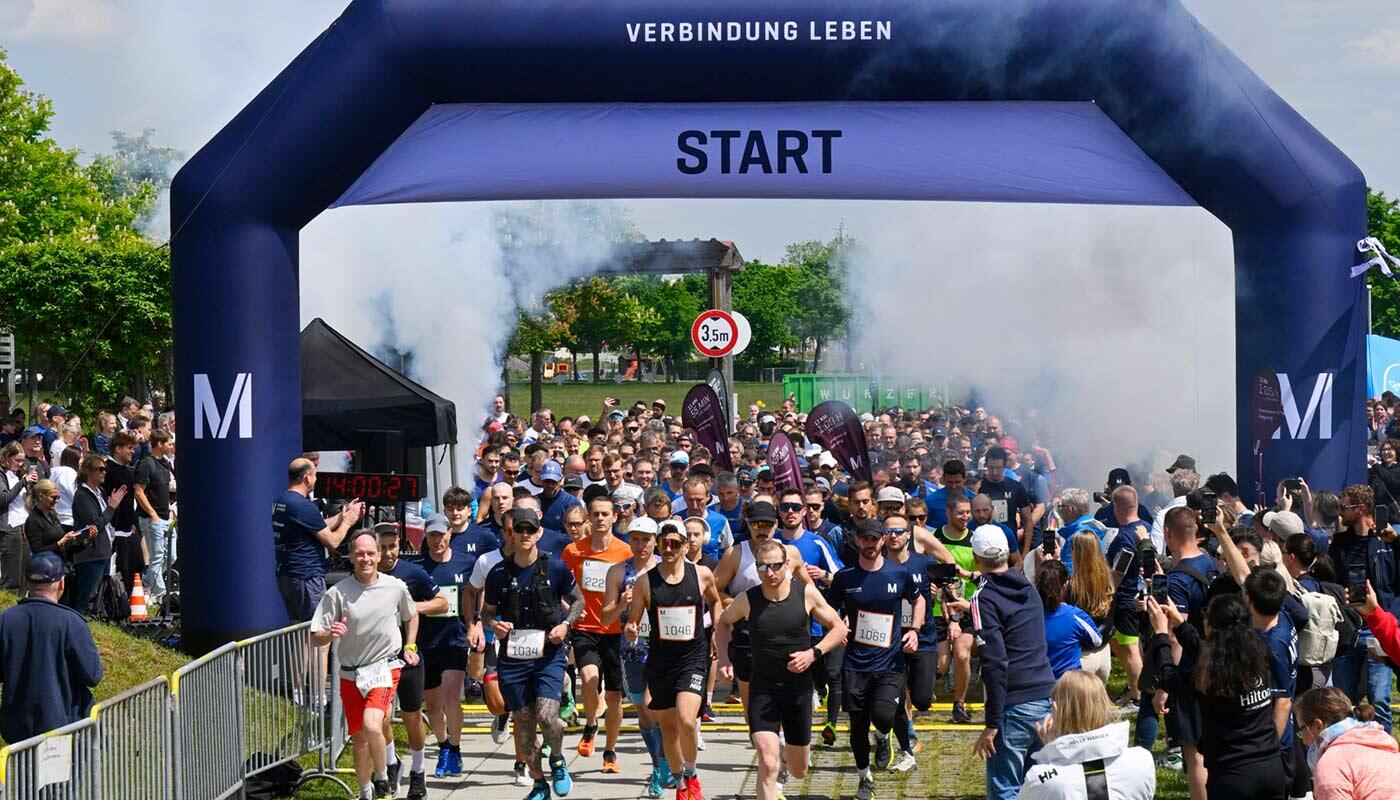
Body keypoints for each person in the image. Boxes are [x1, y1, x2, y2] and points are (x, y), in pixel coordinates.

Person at [716, 537, 848, 800]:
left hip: (798, 691)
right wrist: (724, 660)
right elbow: (723, 623)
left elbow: (839, 628)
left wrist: (813, 653)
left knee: (799, 769)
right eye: (762, 567)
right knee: (767, 760)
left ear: (787, 565)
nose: (769, 573)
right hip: (763, 690)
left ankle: (789, 756)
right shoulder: (747, 599)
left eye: (775, 566)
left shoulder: (806, 594)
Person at [310, 530, 420, 800]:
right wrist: (330, 633)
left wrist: (410, 646)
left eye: (371, 553)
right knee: (359, 740)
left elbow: (412, 614)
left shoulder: (395, 587)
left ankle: (382, 777)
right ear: (350, 557)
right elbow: (315, 636)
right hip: (351, 673)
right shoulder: (337, 593)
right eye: (359, 554)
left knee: (372, 724)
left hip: (384, 667)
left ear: (379, 555)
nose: (366, 559)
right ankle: (365, 792)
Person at [483, 507, 583, 800]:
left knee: (547, 716)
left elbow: (577, 601)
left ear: (539, 532)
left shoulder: (555, 567)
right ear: (510, 534)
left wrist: (566, 625)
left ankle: (558, 761)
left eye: (531, 529)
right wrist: (494, 625)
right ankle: (539, 783)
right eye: (520, 529)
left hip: (548, 654)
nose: (525, 534)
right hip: (513, 659)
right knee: (524, 726)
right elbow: (486, 612)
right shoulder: (498, 573)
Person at [1147, 593, 1284, 800]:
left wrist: (1161, 635)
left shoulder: (1212, 677)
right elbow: (1207, 653)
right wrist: (1180, 625)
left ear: (1211, 627)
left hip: (1233, 775)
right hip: (1271, 767)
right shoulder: (1259, 653)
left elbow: (1170, 677)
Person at [624, 518, 722, 800]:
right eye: (663, 543)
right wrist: (631, 630)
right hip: (661, 662)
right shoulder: (645, 582)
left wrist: (715, 631)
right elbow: (633, 620)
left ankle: (691, 774)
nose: (668, 549)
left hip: (693, 658)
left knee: (686, 720)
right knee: (668, 729)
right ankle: (680, 784)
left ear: (685, 546)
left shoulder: (701, 574)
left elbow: (715, 601)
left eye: (674, 544)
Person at [829, 517, 924, 800]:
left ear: (882, 540)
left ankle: (883, 737)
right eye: (865, 539)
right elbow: (829, 609)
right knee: (857, 726)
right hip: (855, 664)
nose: (870, 544)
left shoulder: (899, 573)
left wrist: (914, 630)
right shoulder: (845, 577)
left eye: (874, 539)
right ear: (857, 541)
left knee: (883, 715)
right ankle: (864, 778)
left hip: (890, 662)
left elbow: (918, 600)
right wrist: (838, 626)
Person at [964, 524, 1056, 800]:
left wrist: (992, 722)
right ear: (1007, 554)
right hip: (1045, 697)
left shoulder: (983, 599)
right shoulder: (1029, 589)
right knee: (1039, 789)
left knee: (1005, 790)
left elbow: (994, 662)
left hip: (1014, 704)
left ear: (975, 558)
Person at [600, 516, 674, 798]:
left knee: (655, 707)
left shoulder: (666, 568)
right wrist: (622, 603)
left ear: (656, 541)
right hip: (632, 649)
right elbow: (606, 617)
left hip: (664, 648)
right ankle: (659, 764)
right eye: (635, 539)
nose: (640, 545)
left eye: (646, 539)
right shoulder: (618, 571)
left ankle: (662, 765)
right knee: (643, 711)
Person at [560, 494, 633, 767]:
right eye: (596, 514)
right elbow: (561, 587)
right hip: (585, 628)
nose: (601, 518)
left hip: (615, 631)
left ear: (614, 517)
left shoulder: (625, 552)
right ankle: (591, 724)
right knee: (589, 679)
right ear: (589, 518)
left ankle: (610, 751)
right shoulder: (573, 551)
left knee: (614, 697)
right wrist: (570, 611)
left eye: (605, 514)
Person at [0, 552, 103, 743]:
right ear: (62, 583)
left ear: (25, 582)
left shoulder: (5, 620)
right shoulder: (71, 622)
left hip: (17, 731)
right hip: (63, 727)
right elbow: (92, 675)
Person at [376, 523, 447, 800]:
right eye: (382, 547)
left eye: (392, 547)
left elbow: (442, 602)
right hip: (377, 658)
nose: (387, 553)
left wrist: (412, 607)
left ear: (399, 546)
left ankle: (418, 771)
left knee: (411, 716)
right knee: (380, 717)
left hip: (409, 655)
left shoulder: (412, 573)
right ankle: (391, 762)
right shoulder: (366, 574)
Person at [1016, 670, 1155, 800]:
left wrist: (1050, 753)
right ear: (1105, 704)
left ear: (1056, 709)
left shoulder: (1039, 779)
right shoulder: (1142, 760)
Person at [1326, 484, 1396, 733]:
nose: (1340, 512)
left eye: (1344, 506)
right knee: (1344, 700)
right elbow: (1331, 580)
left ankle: (1385, 751)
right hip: (1348, 627)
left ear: (1361, 509)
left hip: (1379, 626)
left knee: (1379, 699)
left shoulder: (1386, 541)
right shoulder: (1339, 543)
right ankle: (1349, 746)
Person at [412, 513, 475, 779]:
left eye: (441, 535)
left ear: (450, 534)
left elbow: (475, 594)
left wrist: (475, 625)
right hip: (426, 642)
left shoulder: (466, 562)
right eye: (432, 536)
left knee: (451, 698)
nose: (437, 541)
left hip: (455, 640)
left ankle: (456, 748)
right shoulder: (417, 568)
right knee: (434, 704)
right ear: (426, 537)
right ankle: (443, 745)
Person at [273, 457, 364, 622]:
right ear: (307, 477)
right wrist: (348, 522)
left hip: (286, 577)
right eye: (315, 475)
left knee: (299, 630)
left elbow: (317, 526)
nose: (316, 480)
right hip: (307, 577)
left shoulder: (282, 500)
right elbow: (333, 542)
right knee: (318, 628)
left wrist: (343, 515)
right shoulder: (303, 505)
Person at [1294, 686, 1400, 800]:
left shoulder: (1331, 766)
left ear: (1318, 725)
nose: (1303, 741)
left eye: (1301, 731)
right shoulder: (1383, 743)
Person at [69, 454, 127, 614]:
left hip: (103, 551)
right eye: (100, 469)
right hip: (90, 554)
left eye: (105, 469)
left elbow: (106, 520)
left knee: (100, 597)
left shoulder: (100, 491)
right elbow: (95, 524)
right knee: (87, 598)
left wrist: (113, 507)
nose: (104, 472)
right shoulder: (82, 495)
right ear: (88, 471)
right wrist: (112, 507)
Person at [1034, 560, 1104, 679]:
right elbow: (1097, 641)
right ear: (1065, 585)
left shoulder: (1028, 615)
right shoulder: (1074, 615)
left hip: (1038, 682)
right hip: (1069, 683)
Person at [1063, 533, 1113, 684]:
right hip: (1103, 653)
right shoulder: (1108, 582)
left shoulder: (1072, 586)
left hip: (1083, 656)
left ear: (1077, 553)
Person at [133, 430, 176, 608]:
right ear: (159, 444)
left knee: (171, 556)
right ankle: (161, 596)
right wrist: (152, 514)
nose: (172, 447)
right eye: (169, 444)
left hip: (166, 517)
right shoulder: (146, 464)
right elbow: (138, 491)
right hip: (152, 519)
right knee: (157, 556)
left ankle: (147, 583)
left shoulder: (165, 463)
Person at [0, 442, 36, 592]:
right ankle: (7, 605)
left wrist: (31, 485)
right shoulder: (2, 475)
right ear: (7, 458)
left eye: (22, 460)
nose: (21, 463)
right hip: (10, 527)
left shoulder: (18, 475)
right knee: (12, 577)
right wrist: (23, 482)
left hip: (24, 526)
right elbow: (3, 499)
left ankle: (20, 603)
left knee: (24, 574)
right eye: (17, 460)